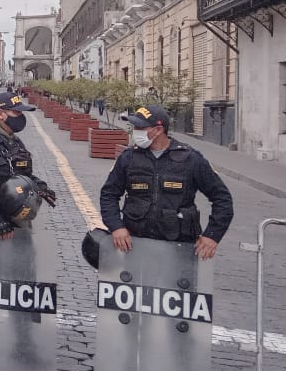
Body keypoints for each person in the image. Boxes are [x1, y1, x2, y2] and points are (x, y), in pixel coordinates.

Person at [99, 105, 233, 260]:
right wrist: (116, 227)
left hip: (179, 248)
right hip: (135, 244)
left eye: (140, 127)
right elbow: (109, 194)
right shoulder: (129, 158)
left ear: (158, 130)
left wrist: (212, 236)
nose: (135, 131)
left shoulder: (191, 159)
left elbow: (222, 199)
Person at [0, 91, 57, 240]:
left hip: (19, 223)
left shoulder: (15, 141)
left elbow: (20, 176)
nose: (21, 117)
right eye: (16, 112)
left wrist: (39, 186)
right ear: (0, 114)